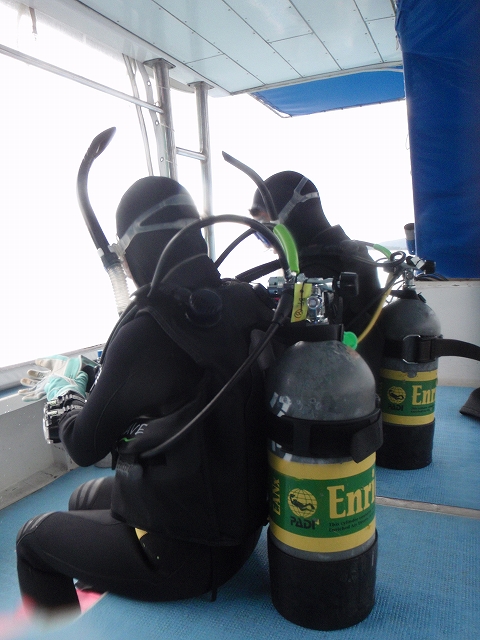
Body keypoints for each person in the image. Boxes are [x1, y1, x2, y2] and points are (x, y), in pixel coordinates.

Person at [16, 176, 274, 620]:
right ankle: (107, 579)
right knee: (84, 500)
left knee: (32, 539)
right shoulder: (244, 300)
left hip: (183, 557)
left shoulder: (148, 330)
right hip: (242, 531)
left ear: (134, 248)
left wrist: (69, 395)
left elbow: (83, 447)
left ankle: (63, 620)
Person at [249, 171, 382, 334]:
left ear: (295, 214)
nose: (263, 235)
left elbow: (296, 340)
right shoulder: (351, 254)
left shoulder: (316, 273)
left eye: (264, 221)